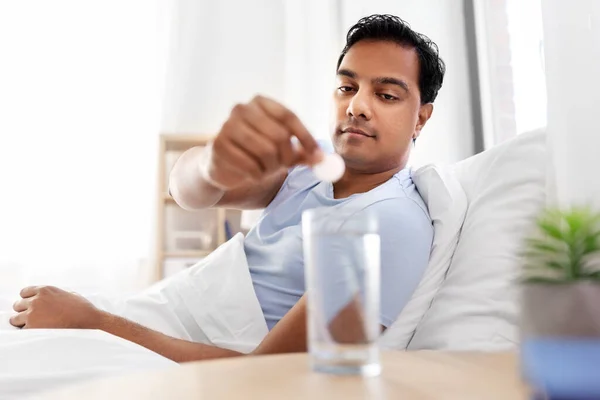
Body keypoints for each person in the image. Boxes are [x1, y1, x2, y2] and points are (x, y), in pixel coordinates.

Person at [9, 14, 445, 362]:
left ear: (421, 118)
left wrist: (95, 323)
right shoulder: (308, 162)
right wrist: (212, 165)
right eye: (346, 87)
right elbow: (186, 191)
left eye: (386, 95)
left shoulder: (390, 224)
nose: (356, 106)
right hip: (155, 318)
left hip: (188, 357)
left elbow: (269, 376)